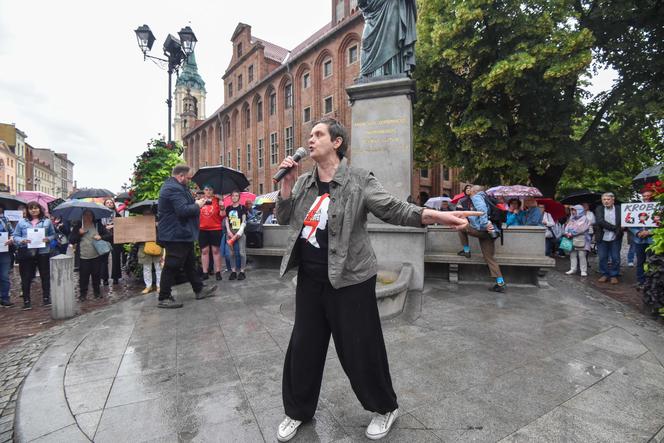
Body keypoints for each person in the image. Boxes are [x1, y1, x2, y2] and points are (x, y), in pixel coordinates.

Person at [274, 118, 479, 442]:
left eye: (318, 134)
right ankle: (297, 410)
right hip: (311, 280)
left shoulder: (357, 180)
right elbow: (284, 218)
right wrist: (285, 186)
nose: (309, 140)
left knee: (360, 349)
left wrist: (436, 215)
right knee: (303, 348)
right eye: (309, 135)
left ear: (337, 142)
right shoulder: (303, 183)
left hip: (351, 279)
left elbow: (395, 210)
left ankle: (385, 407)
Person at [157, 165, 216, 308]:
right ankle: (164, 297)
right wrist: (198, 205)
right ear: (180, 176)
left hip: (182, 233)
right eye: (188, 178)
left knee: (190, 263)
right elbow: (182, 210)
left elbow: (184, 204)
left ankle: (199, 289)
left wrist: (195, 201)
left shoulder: (178, 187)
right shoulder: (173, 188)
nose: (189, 180)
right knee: (172, 264)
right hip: (175, 234)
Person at [456, 185, 506, 292]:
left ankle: (466, 251)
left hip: (482, 230)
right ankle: (500, 283)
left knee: (460, 226)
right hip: (489, 233)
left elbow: (482, 210)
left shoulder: (477, 197)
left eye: (471, 189)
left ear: (474, 191)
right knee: (489, 258)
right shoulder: (486, 197)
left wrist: (485, 223)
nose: (469, 191)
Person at [13, 201, 55, 310]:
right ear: (28, 210)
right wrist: (23, 240)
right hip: (27, 252)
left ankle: (46, 298)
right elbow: (15, 236)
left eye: (36, 208)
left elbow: (53, 234)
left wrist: (48, 239)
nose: (33, 210)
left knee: (45, 275)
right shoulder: (22, 222)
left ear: (39, 209)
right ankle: (26, 301)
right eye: (31, 208)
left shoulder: (46, 221)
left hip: (43, 252)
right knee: (26, 276)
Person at [69, 209, 112, 301]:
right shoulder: (78, 226)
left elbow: (109, 236)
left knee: (96, 275)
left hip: (96, 256)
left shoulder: (97, 225)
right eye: (85, 215)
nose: (88, 217)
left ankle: (97, 293)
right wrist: (79, 234)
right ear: (82, 216)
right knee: (83, 277)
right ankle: (83, 294)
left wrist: (101, 237)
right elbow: (72, 240)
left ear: (93, 216)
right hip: (83, 256)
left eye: (90, 215)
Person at [594, 192, 623, 284]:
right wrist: (615, 228)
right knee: (602, 257)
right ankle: (605, 274)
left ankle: (614, 274)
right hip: (602, 237)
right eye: (604, 199)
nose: (606, 201)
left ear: (613, 200)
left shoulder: (620, 209)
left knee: (615, 257)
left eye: (608, 199)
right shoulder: (599, 209)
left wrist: (623, 226)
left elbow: (625, 220)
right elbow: (600, 221)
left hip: (616, 236)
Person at [199, 185, 224, 281]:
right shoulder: (200, 201)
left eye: (210, 190)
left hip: (215, 229)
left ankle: (218, 271)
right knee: (204, 251)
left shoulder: (217, 201)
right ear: (204, 191)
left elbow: (222, 216)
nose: (208, 191)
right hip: (202, 229)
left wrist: (222, 207)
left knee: (216, 251)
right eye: (206, 189)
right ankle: (205, 272)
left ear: (213, 191)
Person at [631, 189, 655, 288]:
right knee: (640, 261)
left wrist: (649, 232)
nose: (646, 197)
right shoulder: (636, 208)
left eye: (648, 195)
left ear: (652, 196)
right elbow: (630, 223)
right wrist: (637, 232)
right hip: (639, 240)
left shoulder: (658, 208)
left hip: (652, 240)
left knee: (652, 261)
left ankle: (651, 282)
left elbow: (661, 225)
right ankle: (640, 281)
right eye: (644, 196)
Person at [136, 209, 163, 294]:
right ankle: (148, 286)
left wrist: (158, 226)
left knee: (158, 267)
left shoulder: (159, 223)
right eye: (145, 214)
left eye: (149, 214)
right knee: (146, 268)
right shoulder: (139, 225)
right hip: (144, 247)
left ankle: (159, 285)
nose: (147, 215)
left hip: (156, 245)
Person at [225, 190, 247, 281]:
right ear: (231, 197)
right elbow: (226, 220)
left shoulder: (242, 208)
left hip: (239, 232)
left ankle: (242, 271)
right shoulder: (228, 208)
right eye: (233, 195)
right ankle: (233, 271)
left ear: (239, 197)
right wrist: (228, 231)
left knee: (242, 252)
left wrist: (239, 232)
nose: (234, 197)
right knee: (231, 253)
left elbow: (244, 220)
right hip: (230, 231)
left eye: (236, 195)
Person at [100, 198, 123, 285]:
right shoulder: (100, 215)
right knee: (104, 259)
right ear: (104, 205)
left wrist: (113, 225)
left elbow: (121, 226)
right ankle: (104, 278)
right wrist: (105, 227)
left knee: (116, 258)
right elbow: (99, 227)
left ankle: (115, 277)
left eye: (111, 202)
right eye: (107, 203)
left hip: (115, 237)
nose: (109, 204)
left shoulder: (117, 215)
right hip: (104, 237)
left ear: (113, 204)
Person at [563, 205, 591, 276]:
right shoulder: (572, 218)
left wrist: (571, 233)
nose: (573, 212)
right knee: (572, 254)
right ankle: (573, 269)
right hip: (571, 239)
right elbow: (567, 227)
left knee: (581, 255)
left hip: (581, 239)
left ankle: (583, 270)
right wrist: (566, 232)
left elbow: (581, 229)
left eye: (575, 210)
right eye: (572, 210)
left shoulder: (584, 218)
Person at [0, 206, 15, 307]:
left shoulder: (5, 220)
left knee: (4, 276)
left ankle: (5, 297)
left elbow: (13, 233)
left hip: (4, 252)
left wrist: (11, 239)